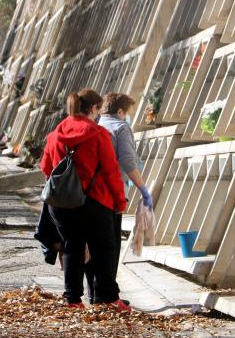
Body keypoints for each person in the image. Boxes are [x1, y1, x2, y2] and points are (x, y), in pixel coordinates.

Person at [40, 88, 130, 312]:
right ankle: (109, 298)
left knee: (72, 248)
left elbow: (46, 168)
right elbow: (111, 172)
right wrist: (120, 202)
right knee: (105, 248)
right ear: (93, 108)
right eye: (98, 110)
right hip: (95, 201)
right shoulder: (99, 134)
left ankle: (73, 300)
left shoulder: (55, 135)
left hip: (61, 204)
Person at [84, 93, 153, 303]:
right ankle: (107, 295)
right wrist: (143, 190)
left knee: (91, 244)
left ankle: (93, 292)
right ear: (121, 112)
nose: (127, 118)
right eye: (127, 113)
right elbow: (128, 162)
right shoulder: (120, 128)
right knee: (109, 245)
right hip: (111, 194)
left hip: (87, 195)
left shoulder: (94, 127)